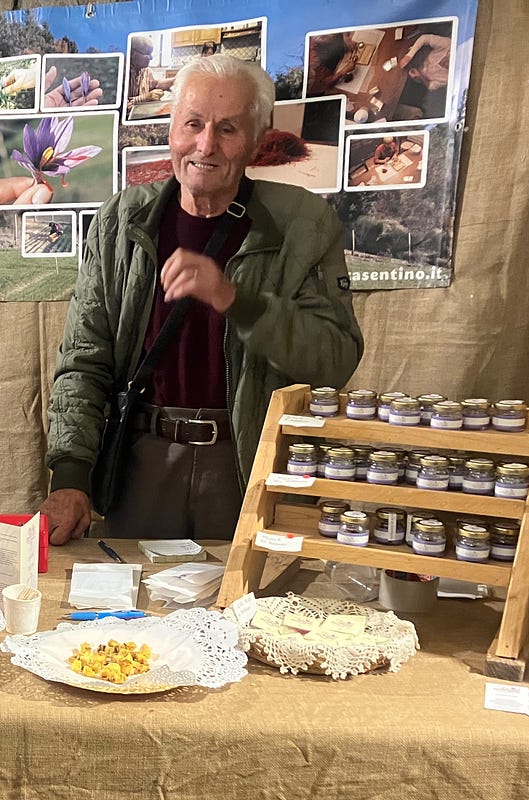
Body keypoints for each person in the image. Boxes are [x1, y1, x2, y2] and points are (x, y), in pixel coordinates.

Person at [38, 55, 363, 545]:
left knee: (246, 612)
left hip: (248, 463)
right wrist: (70, 475)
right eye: (193, 124)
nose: (206, 145)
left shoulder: (304, 224)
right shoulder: (120, 223)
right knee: (130, 614)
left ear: (256, 139)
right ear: (171, 130)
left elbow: (335, 358)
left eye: (228, 129)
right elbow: (84, 362)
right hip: (141, 462)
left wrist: (237, 300)